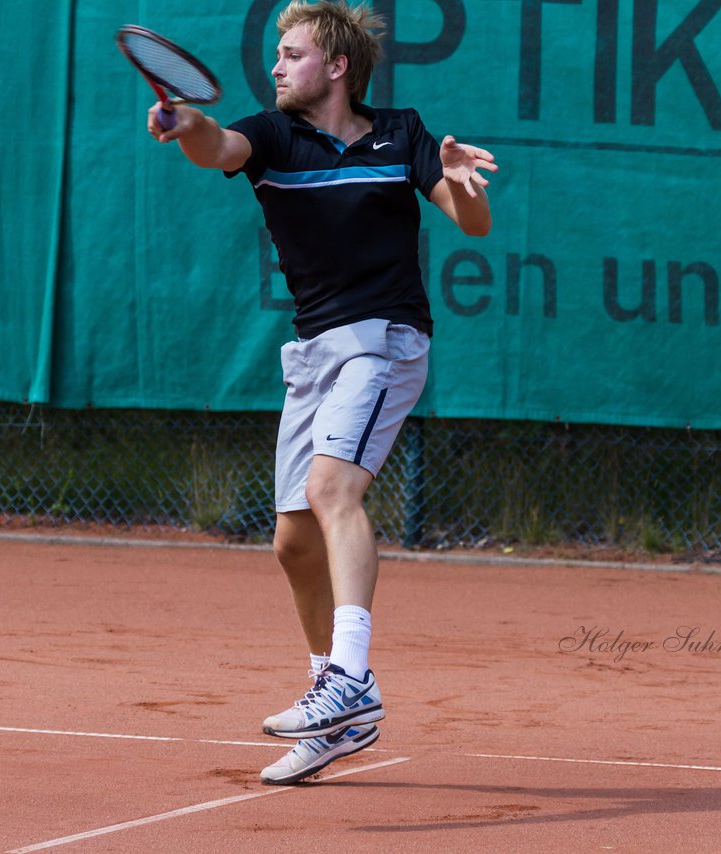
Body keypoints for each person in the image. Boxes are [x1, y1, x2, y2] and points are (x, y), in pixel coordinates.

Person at [145, 0, 497, 785]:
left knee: (333, 489)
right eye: (277, 51)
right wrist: (184, 124)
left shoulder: (401, 133)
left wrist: (464, 184)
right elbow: (217, 146)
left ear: (336, 67)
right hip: (315, 356)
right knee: (293, 541)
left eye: (293, 52)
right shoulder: (271, 136)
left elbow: (469, 222)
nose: (276, 65)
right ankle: (341, 710)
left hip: (385, 339)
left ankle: (352, 678)